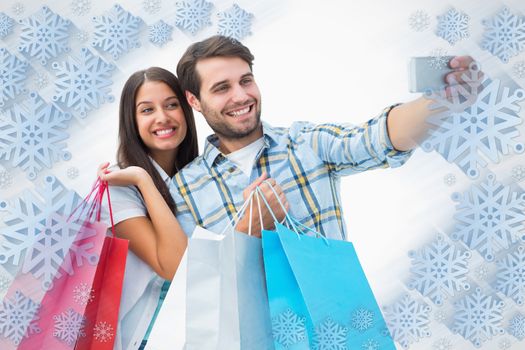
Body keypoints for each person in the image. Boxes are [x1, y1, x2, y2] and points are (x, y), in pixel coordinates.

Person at [171, 35, 476, 240]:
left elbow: (377, 138)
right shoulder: (183, 191)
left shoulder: (305, 143)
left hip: (338, 331)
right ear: (195, 101)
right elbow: (194, 287)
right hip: (251, 337)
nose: (241, 96)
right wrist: (245, 232)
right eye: (222, 88)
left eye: (246, 81)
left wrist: (443, 102)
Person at [97, 67, 288, 350]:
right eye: (147, 110)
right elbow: (175, 267)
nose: (163, 117)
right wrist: (143, 180)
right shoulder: (120, 187)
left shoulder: (199, 178)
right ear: (131, 121)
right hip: (149, 337)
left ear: (187, 109)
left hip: (206, 332)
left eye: (172, 105)